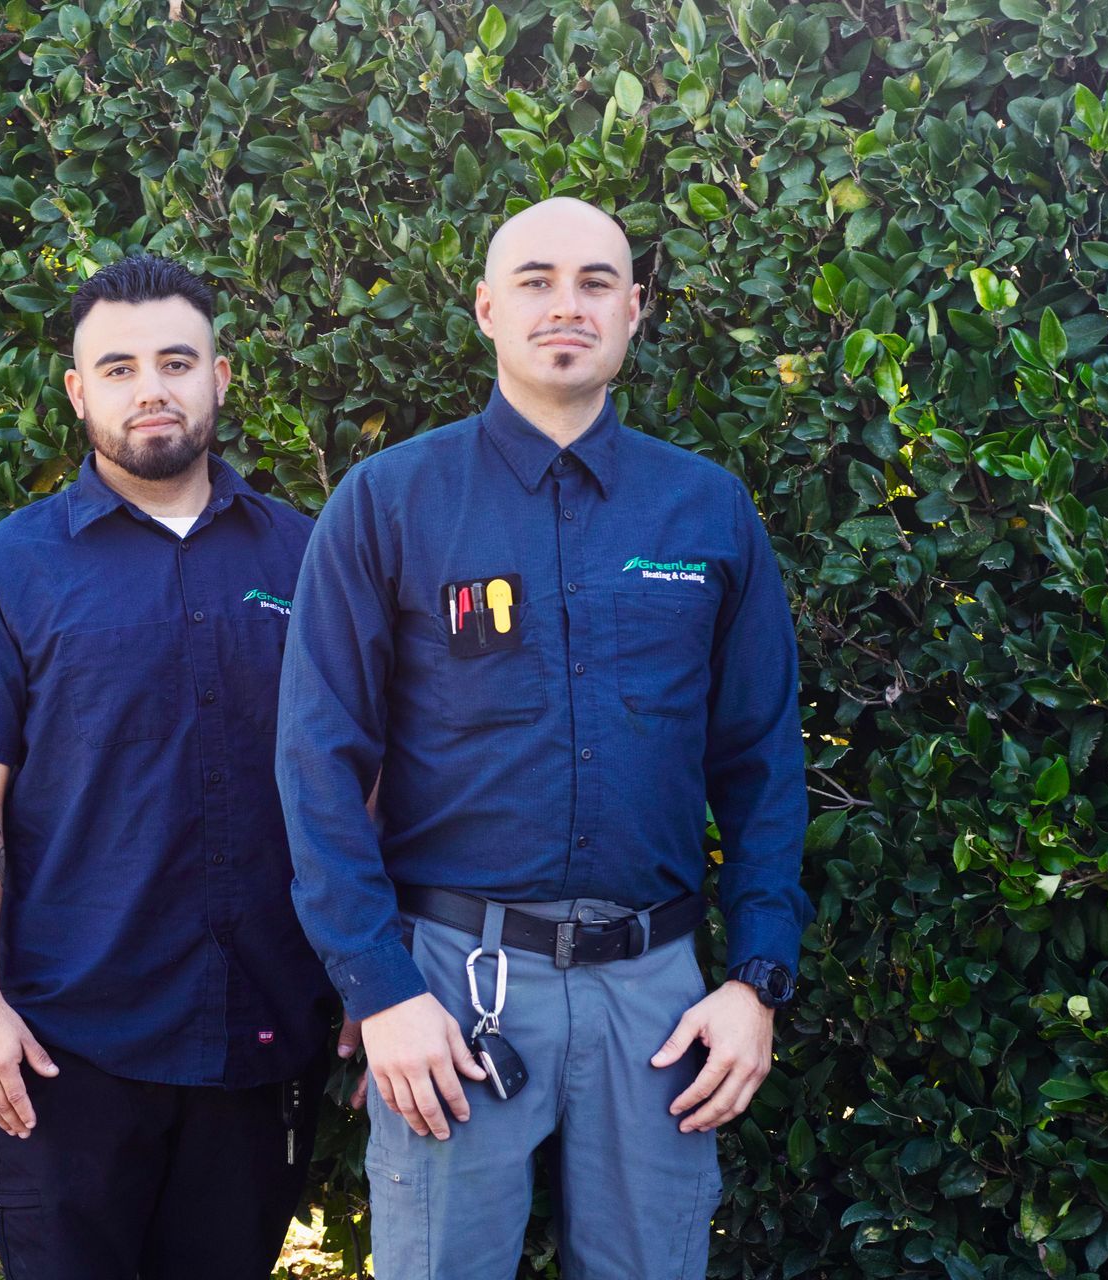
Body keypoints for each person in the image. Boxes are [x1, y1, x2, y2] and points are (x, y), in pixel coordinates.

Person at [277, 197, 811, 1279]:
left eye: (596, 281)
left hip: (659, 997)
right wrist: (379, 989)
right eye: (533, 279)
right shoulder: (390, 502)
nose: (565, 304)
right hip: (450, 990)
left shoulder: (706, 511)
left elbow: (761, 762)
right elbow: (317, 761)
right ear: (485, 307)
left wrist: (755, 980)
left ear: (635, 312)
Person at [0, 254, 337, 1280]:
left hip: (260, 1033)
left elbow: (351, 779)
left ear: (220, 376)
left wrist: (367, 972)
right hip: (67, 1052)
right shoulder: (6, 570)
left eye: (177, 361)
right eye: (119, 366)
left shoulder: (305, 559)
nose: (151, 387)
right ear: (76, 390)